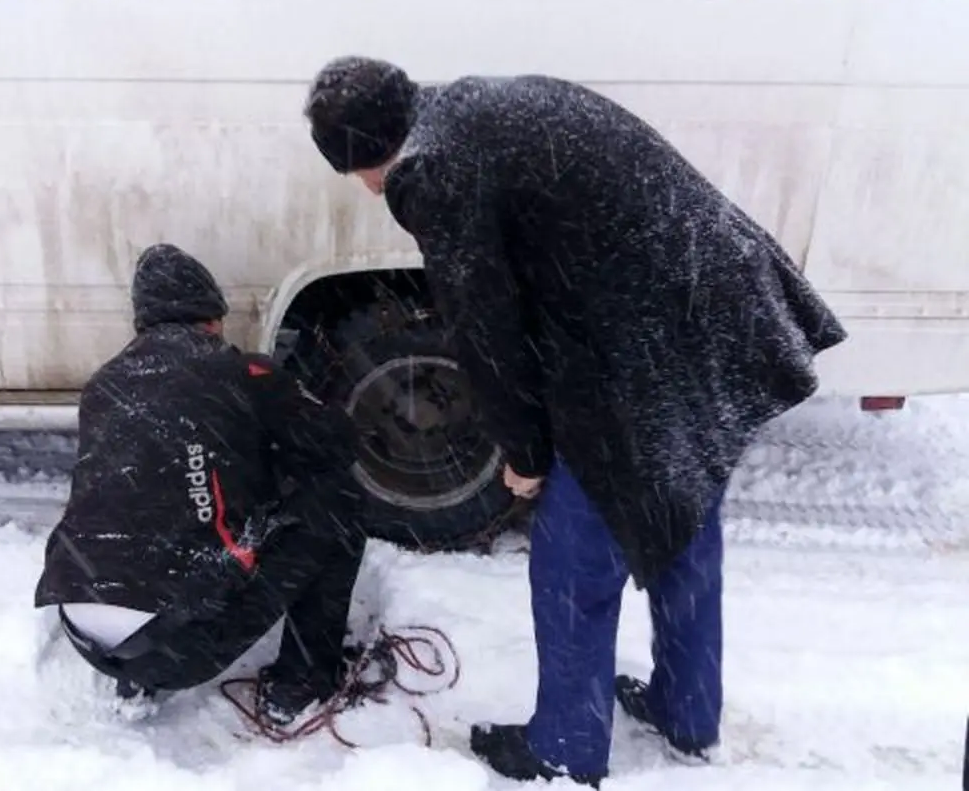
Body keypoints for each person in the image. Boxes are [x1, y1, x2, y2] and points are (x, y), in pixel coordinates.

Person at [304, 58, 848, 787]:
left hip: (650, 339)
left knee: (573, 558)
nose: (368, 190)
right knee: (679, 509)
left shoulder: (431, 171)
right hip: (710, 300)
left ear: (368, 157)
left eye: (358, 175)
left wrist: (526, 450)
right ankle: (688, 709)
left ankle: (565, 748)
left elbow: (484, 326)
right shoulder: (465, 105)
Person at [35, 242, 368, 725]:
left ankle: (135, 677)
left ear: (143, 324)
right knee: (339, 504)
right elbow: (336, 447)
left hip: (83, 630)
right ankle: (301, 686)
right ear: (211, 317)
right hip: (176, 645)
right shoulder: (242, 372)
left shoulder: (104, 384)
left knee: (149, 531)